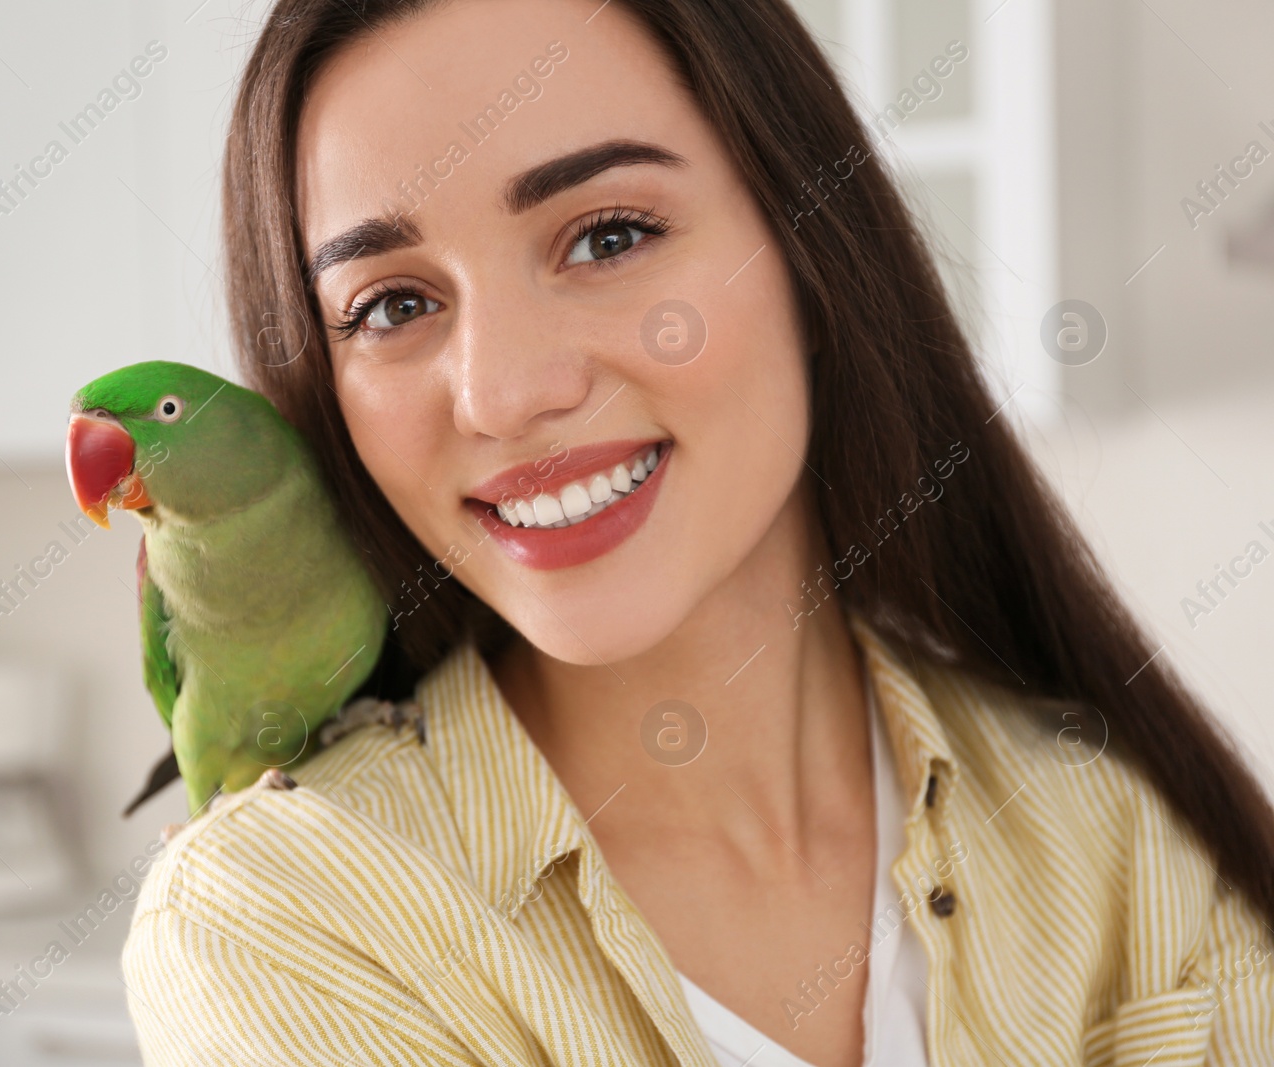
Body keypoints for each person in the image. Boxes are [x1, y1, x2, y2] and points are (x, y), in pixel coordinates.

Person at [121, 1, 1274, 1063]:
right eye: (394, 305)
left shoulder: (1110, 817)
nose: (505, 391)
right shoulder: (282, 925)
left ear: (812, 250)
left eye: (608, 236)